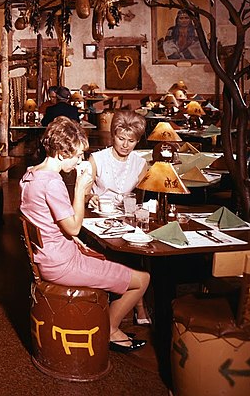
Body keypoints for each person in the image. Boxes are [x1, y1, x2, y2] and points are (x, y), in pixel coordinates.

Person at [20, 117, 150, 353]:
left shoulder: (30, 175)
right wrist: (80, 189)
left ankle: (106, 323)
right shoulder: (52, 182)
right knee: (142, 280)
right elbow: (73, 228)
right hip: (61, 264)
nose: (81, 160)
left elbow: (47, 222)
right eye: (78, 154)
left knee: (106, 261)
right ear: (62, 152)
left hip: (49, 257)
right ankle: (109, 329)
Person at [87, 110, 150, 325]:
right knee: (123, 253)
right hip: (98, 219)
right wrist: (91, 196)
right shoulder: (96, 159)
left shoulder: (141, 164)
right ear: (113, 135)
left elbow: (142, 196)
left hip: (127, 219)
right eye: (121, 138)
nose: (125, 145)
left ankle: (133, 303)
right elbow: (84, 191)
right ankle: (138, 306)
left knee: (137, 249)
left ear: (137, 141)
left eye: (131, 141)